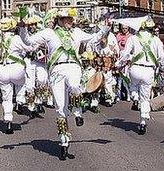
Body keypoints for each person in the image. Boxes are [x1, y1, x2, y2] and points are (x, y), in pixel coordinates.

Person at [19, 8, 110, 160]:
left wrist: (105, 28)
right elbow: (28, 41)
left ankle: (78, 112)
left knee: (75, 85)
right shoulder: (49, 33)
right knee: (60, 108)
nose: (70, 21)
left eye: (71, 19)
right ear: (59, 20)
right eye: (66, 19)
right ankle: (64, 142)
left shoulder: (77, 32)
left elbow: (94, 38)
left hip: (73, 66)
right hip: (56, 70)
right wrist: (22, 27)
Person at [117, 16, 164, 135]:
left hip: (135, 68)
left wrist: (118, 64)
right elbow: (162, 57)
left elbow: (125, 54)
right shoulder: (156, 40)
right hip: (149, 71)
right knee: (145, 98)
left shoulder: (133, 38)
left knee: (133, 85)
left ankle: (134, 97)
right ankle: (143, 121)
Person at [0, 17, 36, 134]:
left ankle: (8, 121)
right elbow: (30, 48)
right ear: (13, 27)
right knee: (23, 81)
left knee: (6, 97)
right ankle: (20, 99)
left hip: (2, 69)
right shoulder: (17, 38)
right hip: (15, 67)